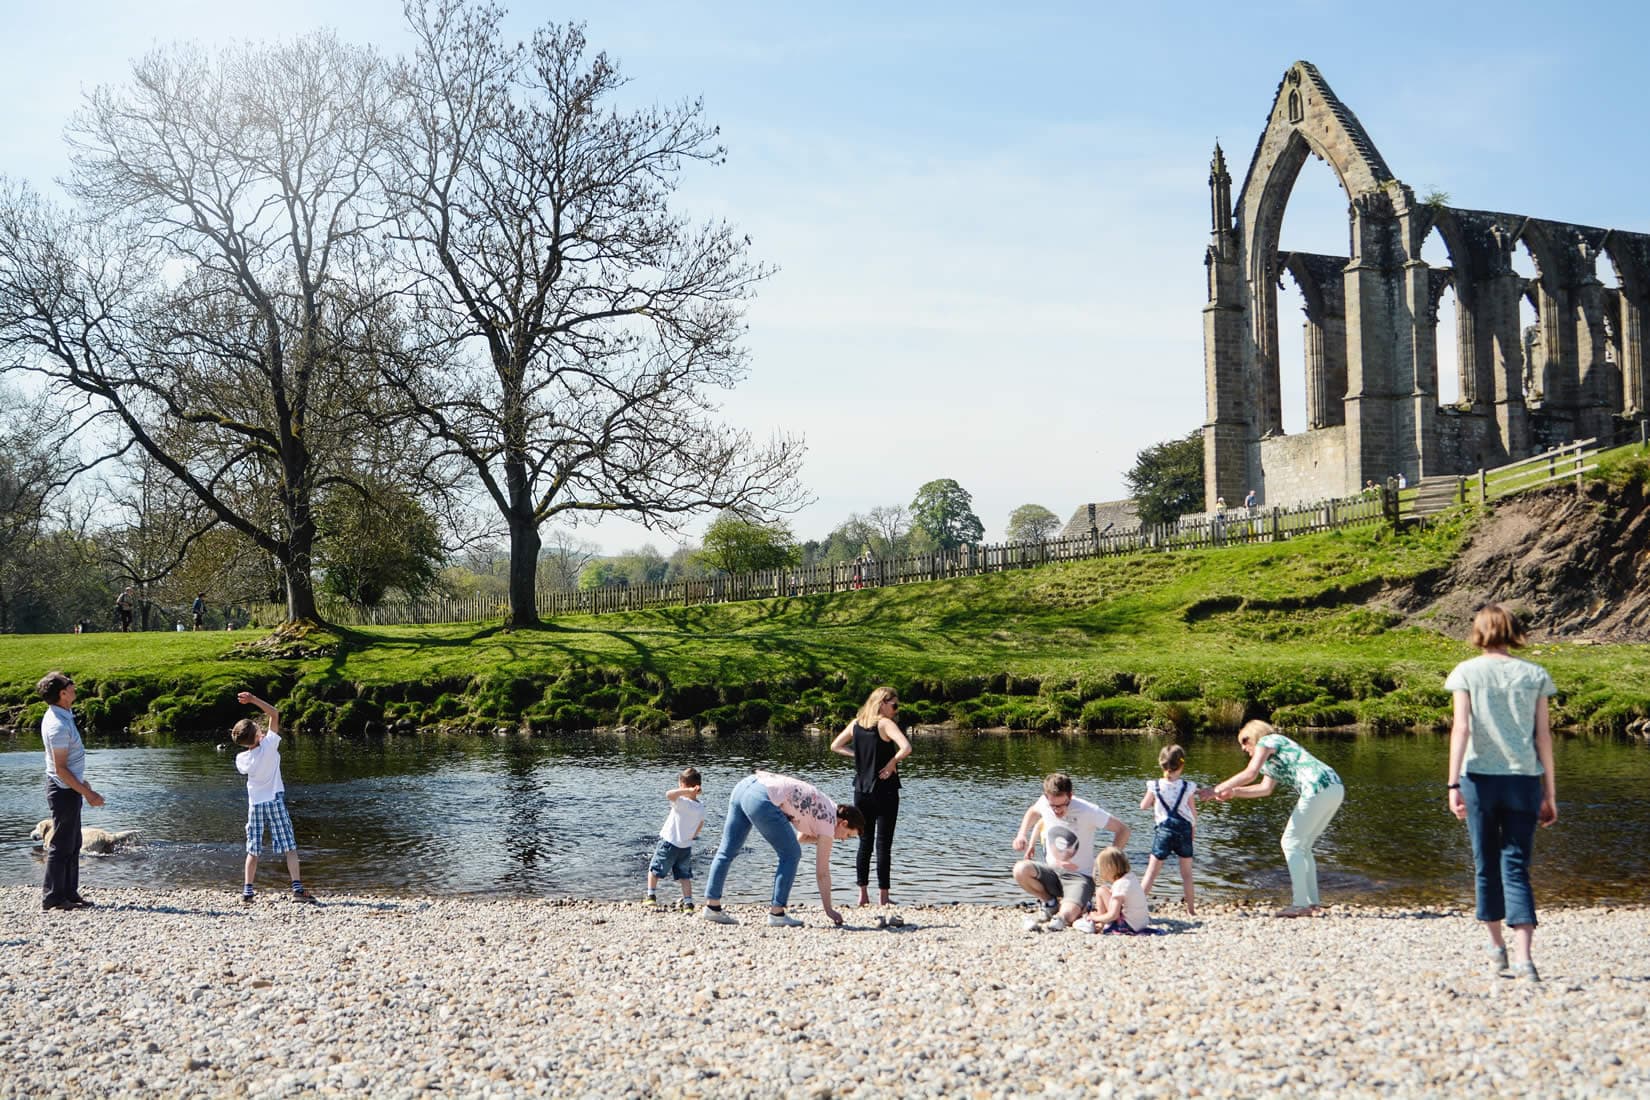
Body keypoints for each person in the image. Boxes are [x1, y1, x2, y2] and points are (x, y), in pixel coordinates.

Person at [1445, 604, 1558, 982]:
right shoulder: (1535, 674)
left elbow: (1460, 729)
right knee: (1516, 867)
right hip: (1524, 780)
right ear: (1512, 631)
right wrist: (1550, 793)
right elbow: (1543, 737)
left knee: (1485, 864)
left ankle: (1497, 951)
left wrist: (1452, 784)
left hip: (1478, 778)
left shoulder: (1466, 672)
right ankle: (1525, 959)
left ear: (1478, 632)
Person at [1212, 720, 1344, 917]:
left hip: (1317, 786)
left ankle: (1300, 905)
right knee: (1303, 845)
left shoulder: (1268, 740)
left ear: (1255, 735)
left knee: (1290, 843)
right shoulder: (1273, 756)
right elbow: (1264, 789)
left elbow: (1250, 773)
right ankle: (1312, 903)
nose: (1243, 747)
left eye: (1245, 740)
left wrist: (1216, 789)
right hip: (1334, 787)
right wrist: (1234, 792)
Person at [701, 771, 864, 927]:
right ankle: (777, 914)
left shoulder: (827, 805)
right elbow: (822, 873)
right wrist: (829, 910)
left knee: (727, 851)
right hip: (762, 797)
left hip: (745, 786)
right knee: (791, 855)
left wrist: (823, 840)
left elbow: (801, 838)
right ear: (843, 823)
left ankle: (712, 907)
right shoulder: (829, 821)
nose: (843, 839)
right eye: (848, 835)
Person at [1011, 772, 1130, 932]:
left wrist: (1105, 862)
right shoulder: (1045, 802)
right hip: (1052, 873)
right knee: (1020, 870)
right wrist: (1021, 835)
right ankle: (1050, 902)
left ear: (1070, 796)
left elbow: (1123, 830)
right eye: (1053, 806)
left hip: (1079, 877)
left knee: (1063, 918)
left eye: (1061, 805)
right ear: (1047, 797)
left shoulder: (1087, 810)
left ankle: (1075, 907)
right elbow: (1032, 812)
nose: (1056, 811)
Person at [232, 691, 318, 904]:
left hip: (255, 806)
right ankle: (297, 889)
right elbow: (274, 713)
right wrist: (253, 699)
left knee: (253, 848)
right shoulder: (270, 747)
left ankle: (248, 891)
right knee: (289, 845)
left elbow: (262, 729)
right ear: (259, 734)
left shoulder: (241, 758)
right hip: (275, 800)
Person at [830, 686, 913, 906]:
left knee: (864, 843)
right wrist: (892, 762)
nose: (896, 710)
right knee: (883, 845)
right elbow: (906, 747)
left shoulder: (856, 724)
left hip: (861, 791)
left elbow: (835, 746)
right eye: (894, 705)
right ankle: (884, 898)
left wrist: (858, 756)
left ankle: (862, 896)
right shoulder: (885, 723)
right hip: (885, 790)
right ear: (882, 703)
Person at [39, 671, 104, 911]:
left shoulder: (64, 714)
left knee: (73, 841)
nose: (74, 685)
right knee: (62, 843)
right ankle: (53, 897)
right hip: (62, 789)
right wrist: (89, 794)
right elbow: (61, 768)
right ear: (62, 693)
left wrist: (84, 785)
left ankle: (69, 892)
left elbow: (69, 766)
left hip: (69, 787)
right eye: (69, 684)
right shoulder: (57, 724)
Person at [1138, 744, 1211, 916]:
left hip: (1164, 831)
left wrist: (1156, 803)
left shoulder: (1154, 785)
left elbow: (1143, 806)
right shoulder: (1188, 787)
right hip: (1184, 830)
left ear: (1161, 764)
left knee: (1151, 872)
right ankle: (1191, 910)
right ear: (1182, 765)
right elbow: (1193, 812)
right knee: (1186, 874)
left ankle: (1136, 906)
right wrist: (1193, 829)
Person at [645, 767, 705, 909]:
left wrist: (685, 792)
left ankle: (651, 896)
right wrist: (692, 836)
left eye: (680, 785)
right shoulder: (700, 806)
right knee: (685, 876)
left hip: (669, 842)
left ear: (683, 785)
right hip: (685, 846)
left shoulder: (681, 802)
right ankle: (688, 903)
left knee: (654, 869)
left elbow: (669, 794)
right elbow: (700, 825)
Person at [1084, 846, 1150, 934]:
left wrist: (1094, 918)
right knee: (1103, 890)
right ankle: (1101, 919)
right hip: (1140, 923)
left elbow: (1113, 915)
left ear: (1108, 869)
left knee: (1100, 891)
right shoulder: (1130, 877)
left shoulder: (1120, 885)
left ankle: (1100, 922)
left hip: (1128, 926)